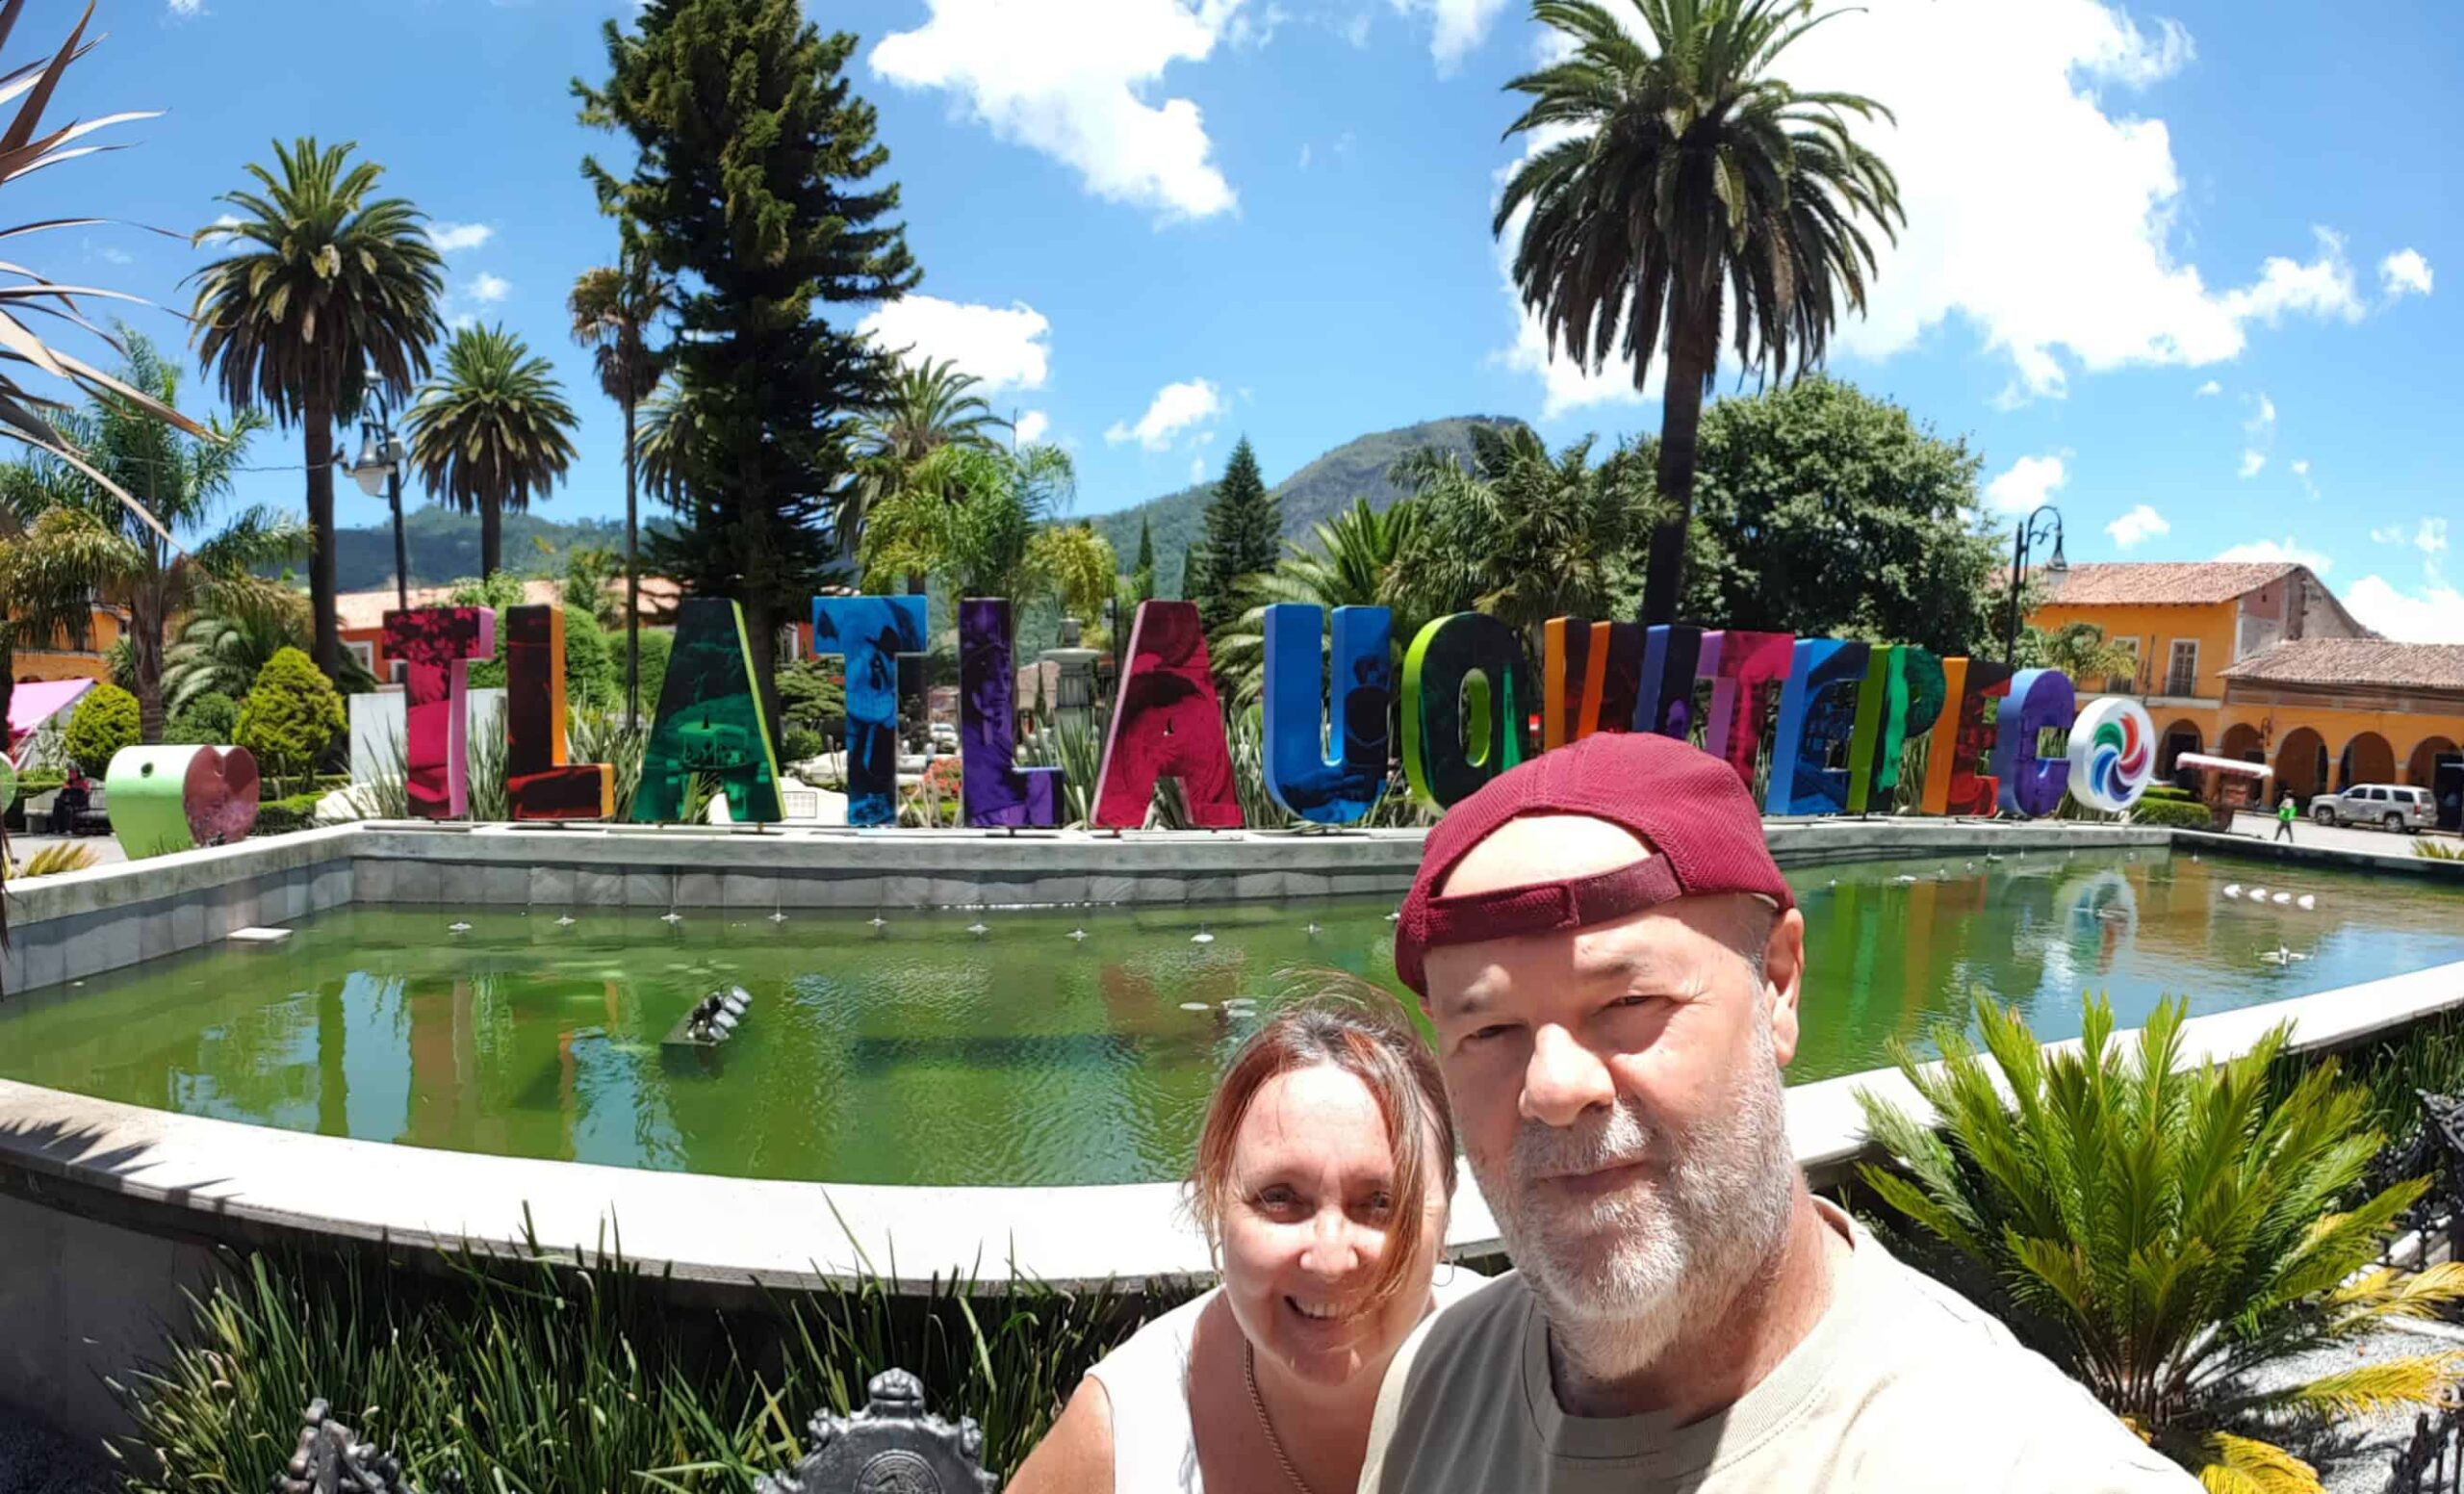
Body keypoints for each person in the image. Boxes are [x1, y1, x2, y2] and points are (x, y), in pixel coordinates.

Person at [1360, 732, 2196, 1493]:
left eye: (1628, 1001)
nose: (1552, 1087)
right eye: (1491, 1029)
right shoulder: (1431, 1382)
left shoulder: (2026, 1466)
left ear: (1779, 986)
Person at [1011, 993, 1482, 1494]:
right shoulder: (1124, 1435)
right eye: (1280, 1198)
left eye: (1381, 1203)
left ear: (1447, 1215)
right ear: (1217, 1206)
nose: (1329, 1258)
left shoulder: (1541, 1375)